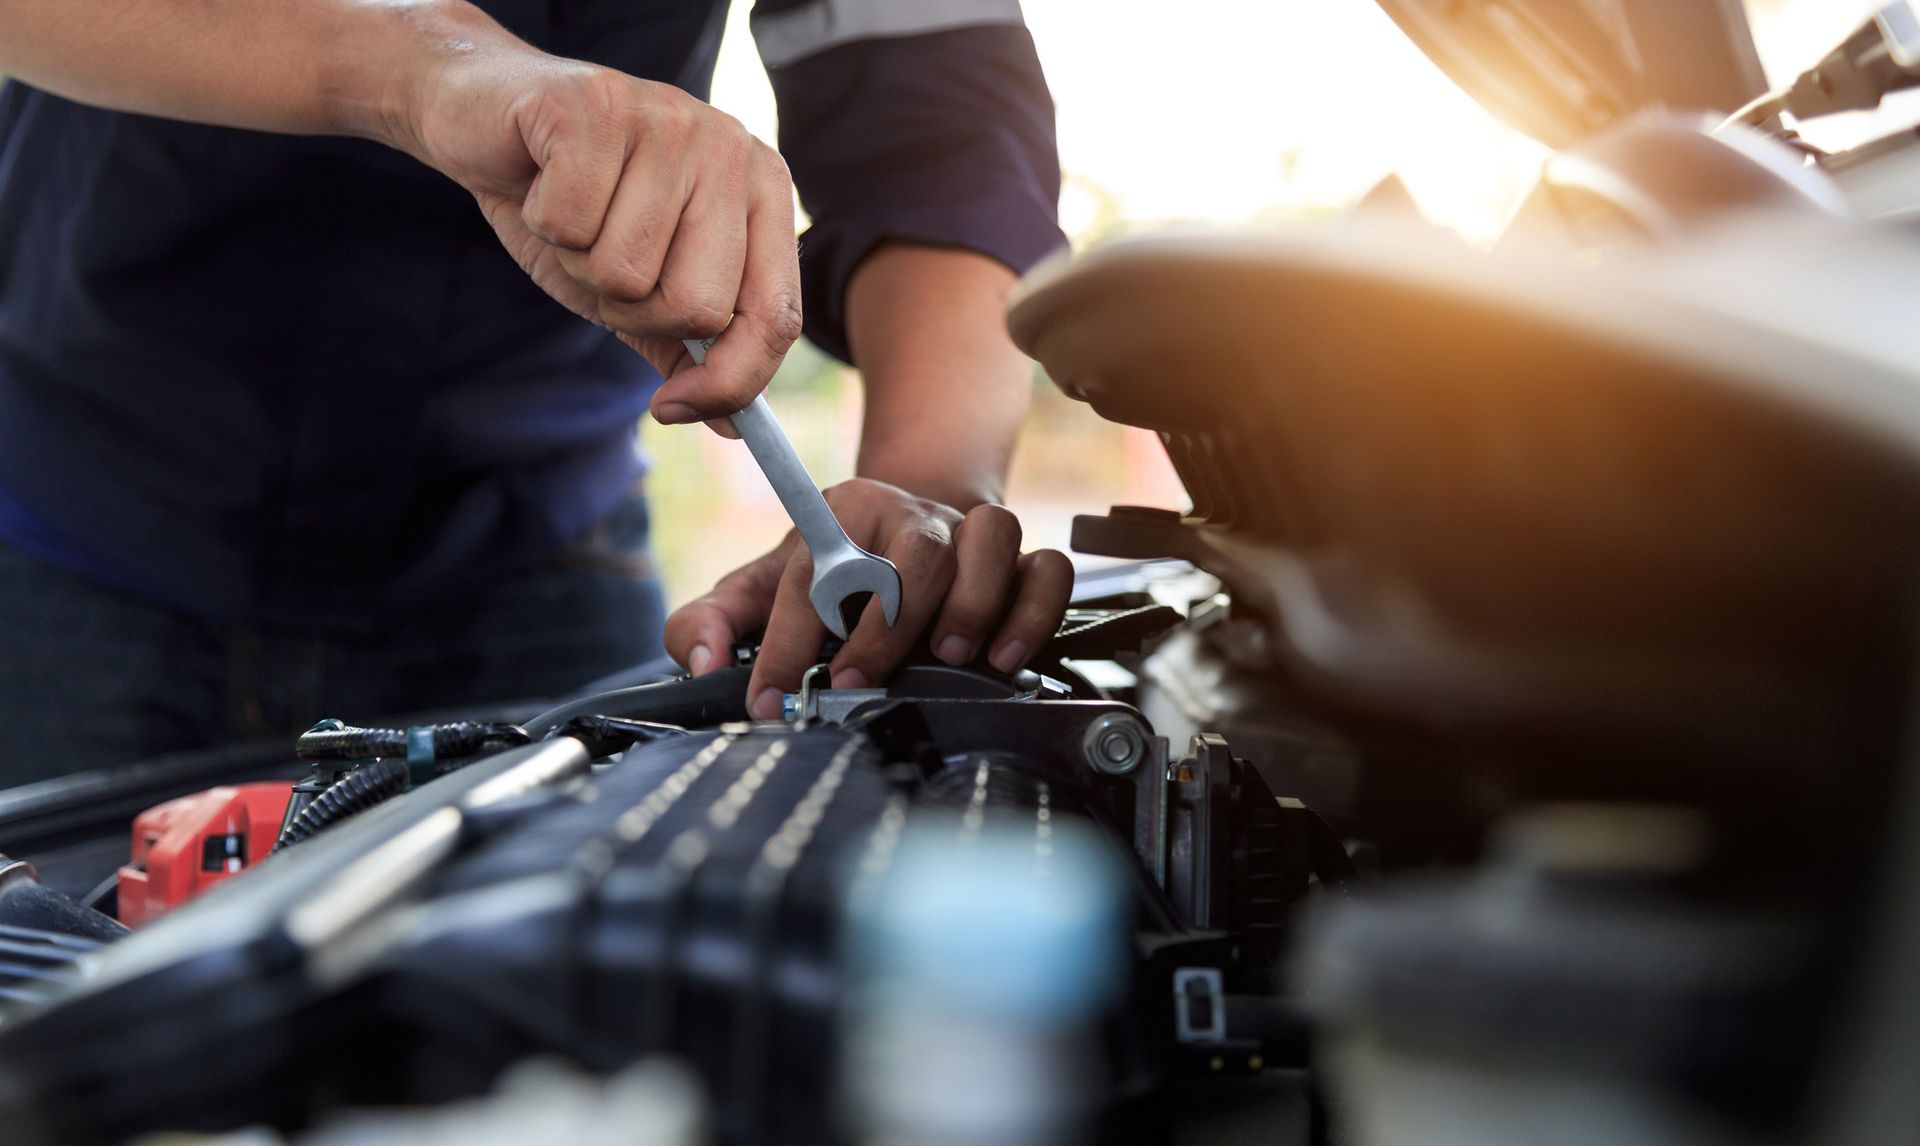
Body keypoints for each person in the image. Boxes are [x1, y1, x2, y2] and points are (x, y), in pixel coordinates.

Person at [0, 0, 1073, 783]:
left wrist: (923, 484)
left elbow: (932, 113)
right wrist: (421, 69)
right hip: (67, 547)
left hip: (532, 566)